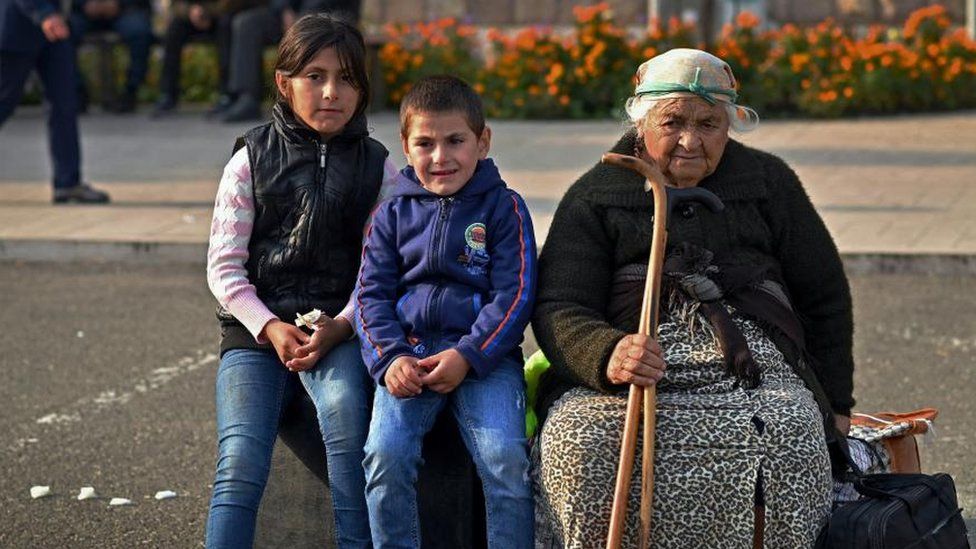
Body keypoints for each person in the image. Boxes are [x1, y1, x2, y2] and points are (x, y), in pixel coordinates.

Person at [531, 48, 853, 548]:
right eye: (673, 121)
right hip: (634, 365)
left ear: (730, 127)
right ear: (641, 121)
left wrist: (836, 401)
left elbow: (824, 293)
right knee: (580, 443)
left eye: (709, 124)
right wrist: (608, 353)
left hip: (748, 362)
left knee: (791, 432)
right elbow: (560, 306)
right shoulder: (596, 194)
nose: (689, 139)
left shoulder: (768, 183)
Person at [204, 13, 396, 548]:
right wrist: (269, 328)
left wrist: (343, 325)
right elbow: (224, 268)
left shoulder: (379, 168)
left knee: (346, 427)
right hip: (254, 336)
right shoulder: (250, 159)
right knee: (239, 459)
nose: (332, 91)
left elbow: (381, 270)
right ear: (284, 83)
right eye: (315, 76)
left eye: (348, 78)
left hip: (337, 332)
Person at [355, 75, 536, 549]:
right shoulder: (390, 213)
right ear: (405, 147)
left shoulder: (506, 208)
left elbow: (514, 294)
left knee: (505, 460)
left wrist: (469, 354)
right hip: (408, 358)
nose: (441, 157)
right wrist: (389, 358)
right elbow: (370, 295)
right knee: (383, 457)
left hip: (484, 362)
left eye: (456, 141)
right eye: (425, 143)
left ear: (483, 141)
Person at [0, 0, 110, 203]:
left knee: (64, 106)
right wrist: (43, 13)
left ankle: (68, 183)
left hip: (56, 30)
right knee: (4, 102)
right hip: (19, 26)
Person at [218, 0, 359, 122]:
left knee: (314, 25)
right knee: (246, 22)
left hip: (330, 15)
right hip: (291, 16)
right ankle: (245, 97)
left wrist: (304, 18)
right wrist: (284, 9)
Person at [150, 0, 263, 117]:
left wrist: (207, 13)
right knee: (174, 29)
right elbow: (175, 5)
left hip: (221, 16)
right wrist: (190, 11)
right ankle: (167, 94)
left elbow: (234, 4)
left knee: (227, 28)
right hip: (190, 16)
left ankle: (227, 94)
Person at [69, 0, 153, 112]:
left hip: (125, 11)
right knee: (61, 34)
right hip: (85, 12)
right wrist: (85, 4)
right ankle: (77, 90)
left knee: (140, 33)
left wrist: (118, 4)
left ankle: (131, 90)